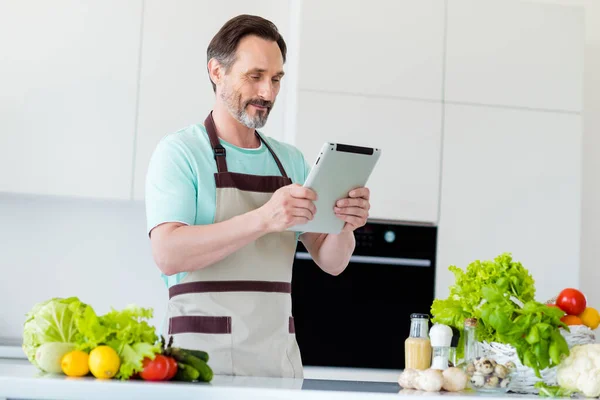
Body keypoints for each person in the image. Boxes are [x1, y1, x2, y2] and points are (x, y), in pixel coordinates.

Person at [145, 14, 371, 378]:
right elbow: (168, 254)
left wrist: (344, 223)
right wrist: (265, 218)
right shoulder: (180, 152)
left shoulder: (289, 161)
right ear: (216, 71)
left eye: (276, 79)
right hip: (200, 369)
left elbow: (332, 262)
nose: (268, 93)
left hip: (277, 367)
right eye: (255, 77)